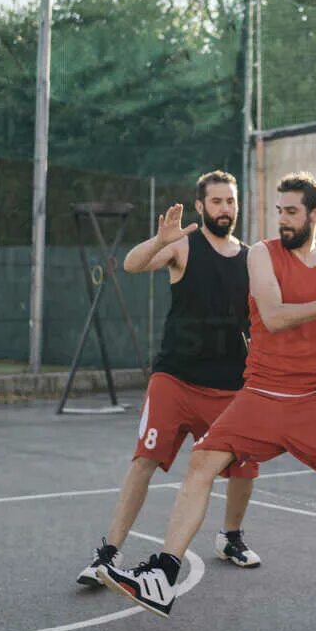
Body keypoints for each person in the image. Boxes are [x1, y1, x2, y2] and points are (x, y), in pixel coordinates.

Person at [100, 171, 316, 631]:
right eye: (279, 211)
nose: (283, 220)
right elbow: (272, 318)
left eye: (292, 211)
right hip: (265, 391)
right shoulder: (262, 255)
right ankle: (164, 573)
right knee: (202, 463)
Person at [77, 170, 263, 587]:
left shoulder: (252, 258)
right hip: (175, 378)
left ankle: (230, 537)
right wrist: (160, 240)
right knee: (144, 459)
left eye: (230, 201)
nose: (225, 209)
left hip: (231, 385)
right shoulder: (182, 245)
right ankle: (107, 553)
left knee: (245, 468)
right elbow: (130, 264)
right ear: (201, 206)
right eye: (216, 202)